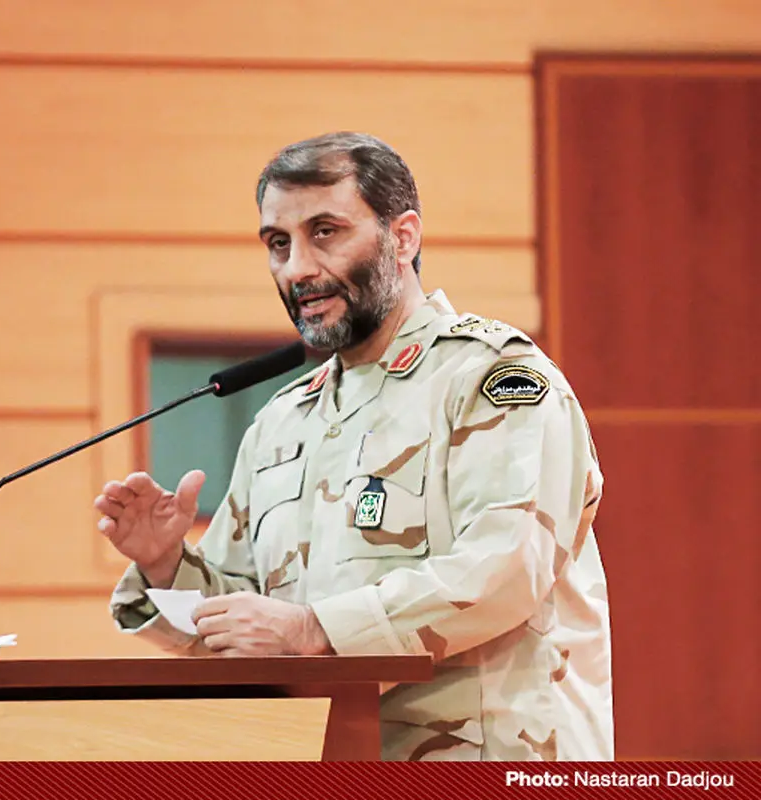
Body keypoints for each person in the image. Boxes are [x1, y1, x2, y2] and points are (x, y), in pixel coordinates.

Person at [96, 132, 613, 761]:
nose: (297, 269)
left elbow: (506, 568)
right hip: (326, 761)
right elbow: (247, 629)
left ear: (403, 238)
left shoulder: (490, 381)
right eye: (278, 243)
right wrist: (165, 565)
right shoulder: (283, 420)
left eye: (325, 232)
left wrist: (313, 630)